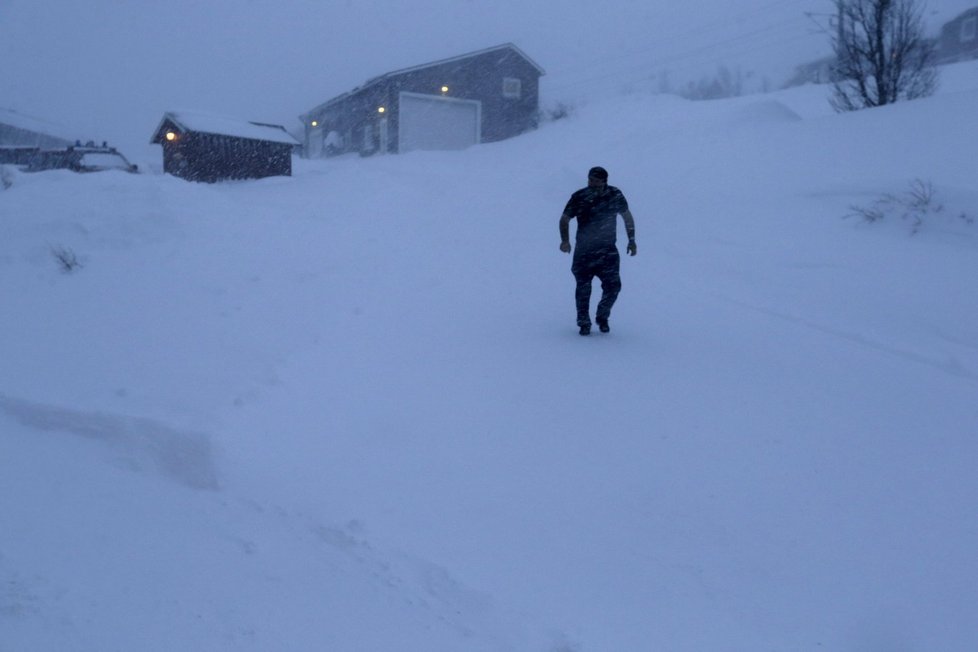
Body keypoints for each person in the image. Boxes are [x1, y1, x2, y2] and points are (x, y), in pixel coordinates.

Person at [559, 166, 637, 335]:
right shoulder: (580, 196)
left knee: (613, 287)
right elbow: (564, 218)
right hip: (584, 252)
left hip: (607, 252)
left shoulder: (614, 195)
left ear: (604, 181)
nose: (591, 183)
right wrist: (565, 241)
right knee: (583, 288)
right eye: (589, 179)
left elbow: (627, 217)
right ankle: (584, 322)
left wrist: (632, 240)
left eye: (595, 180)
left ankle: (602, 316)